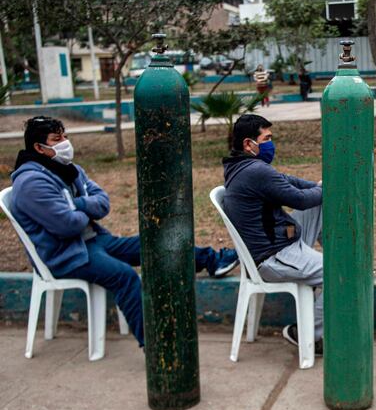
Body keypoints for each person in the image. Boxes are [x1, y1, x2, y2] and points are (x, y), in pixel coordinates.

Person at [10, 116, 239, 348]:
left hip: (95, 240)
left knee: (154, 242)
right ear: (39, 147)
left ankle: (212, 260)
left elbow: (103, 202)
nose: (65, 143)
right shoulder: (31, 183)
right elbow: (68, 224)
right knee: (125, 277)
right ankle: (155, 346)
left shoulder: (69, 170)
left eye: (65, 136)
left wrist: (77, 204)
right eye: (57, 139)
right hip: (67, 254)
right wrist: (85, 207)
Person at [222, 114, 324, 353]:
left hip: (281, 243)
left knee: (319, 201)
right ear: (249, 144)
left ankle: (330, 256)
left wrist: (319, 187)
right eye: (266, 138)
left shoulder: (242, 166)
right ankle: (307, 334)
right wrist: (329, 188)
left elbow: (290, 182)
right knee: (341, 273)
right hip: (273, 256)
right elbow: (298, 200)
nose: (270, 144)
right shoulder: (255, 171)